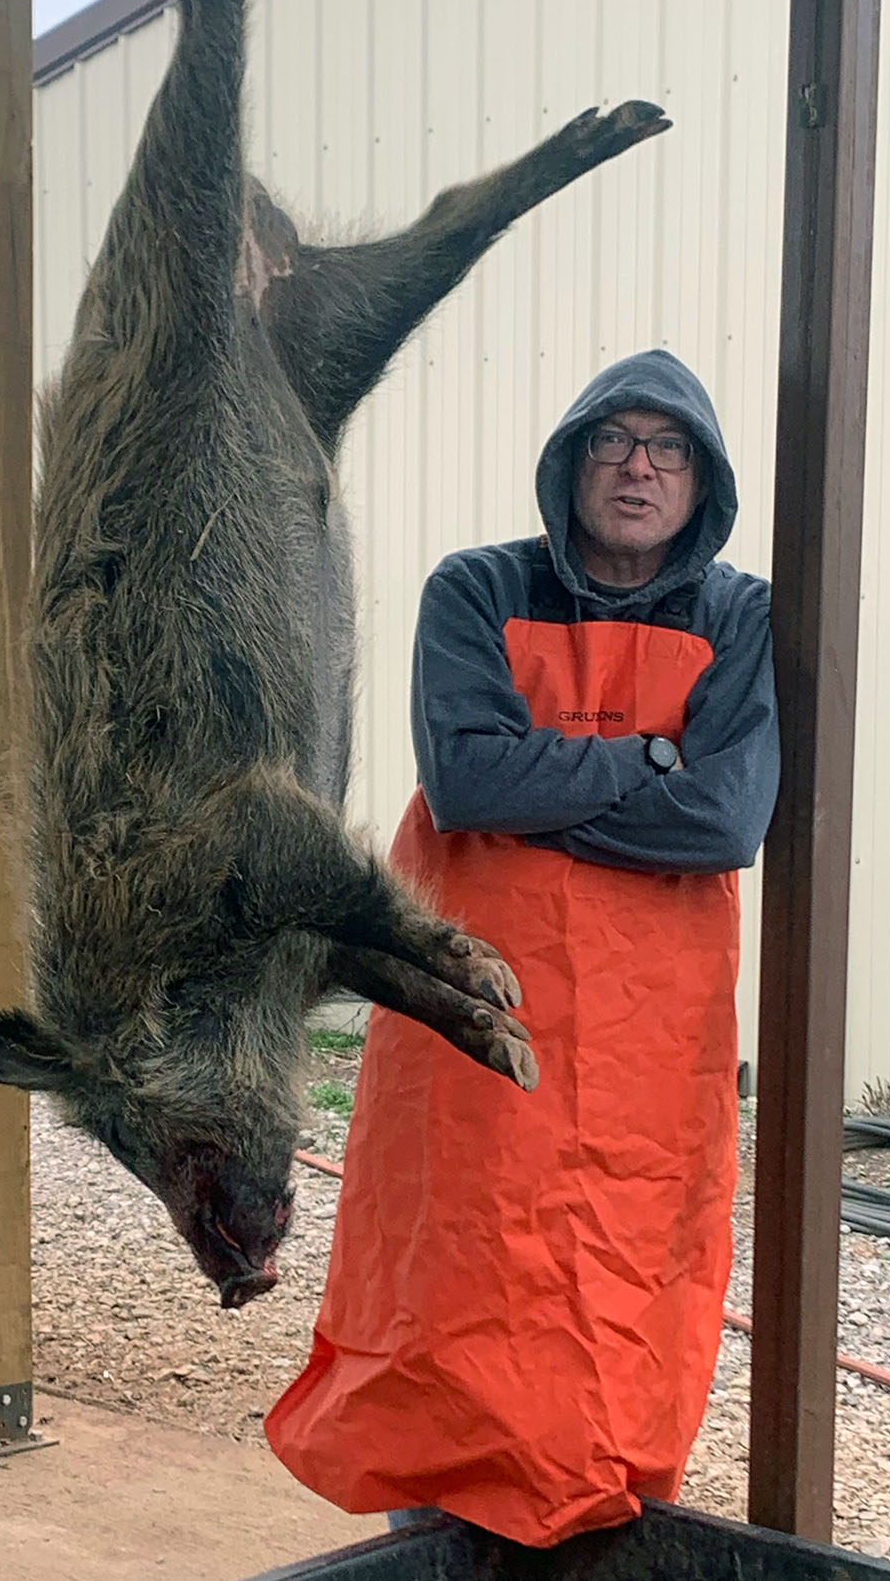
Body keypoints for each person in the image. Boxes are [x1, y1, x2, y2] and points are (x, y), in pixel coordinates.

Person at [264, 349, 779, 1548]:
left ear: (704, 480)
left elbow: (725, 814)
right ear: (570, 460)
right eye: (612, 441)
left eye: (667, 447)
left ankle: (614, 1526)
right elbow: (466, 773)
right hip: (469, 1005)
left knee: (628, 1266)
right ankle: (433, 1532)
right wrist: (653, 759)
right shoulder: (477, 590)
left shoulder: (738, 615)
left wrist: (543, 789)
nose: (637, 467)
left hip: (651, 1037)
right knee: (460, 1257)